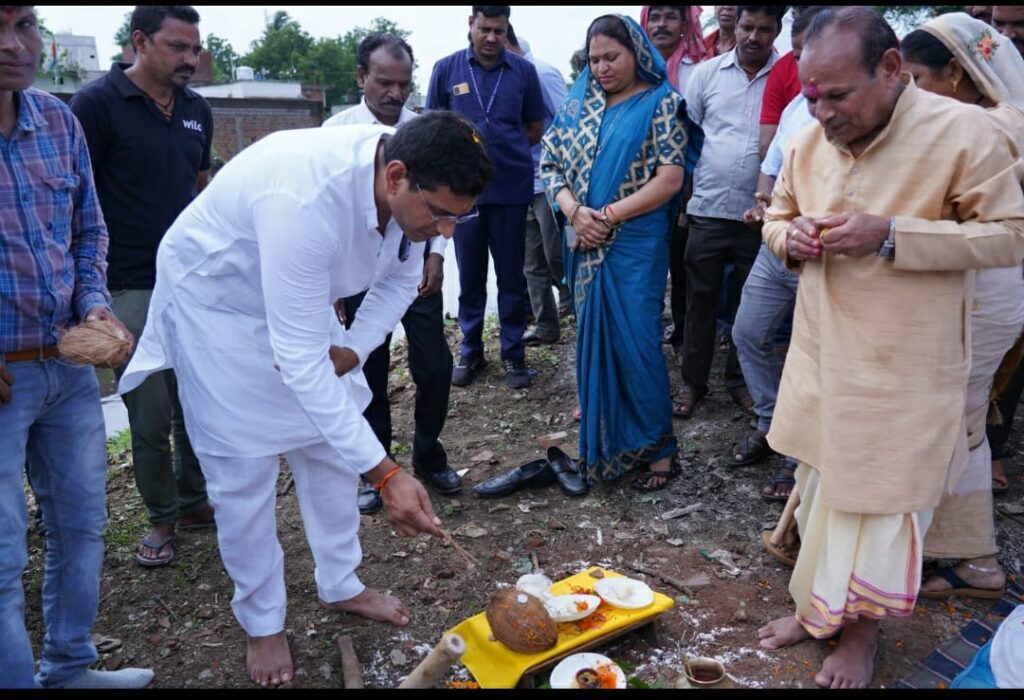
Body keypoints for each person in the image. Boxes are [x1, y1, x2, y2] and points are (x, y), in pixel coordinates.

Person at [118, 112, 492, 687]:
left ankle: (340, 583)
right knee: (241, 473)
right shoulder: (304, 199)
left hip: (296, 292)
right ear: (395, 175)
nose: (446, 232)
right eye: (440, 214)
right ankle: (263, 621)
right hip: (217, 303)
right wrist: (388, 475)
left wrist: (354, 346)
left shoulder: (412, 198)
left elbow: (398, 280)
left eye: (458, 220)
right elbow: (297, 362)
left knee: (330, 450)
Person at [755, 7, 1024, 689]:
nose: (822, 112)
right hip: (824, 352)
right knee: (822, 490)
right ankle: (816, 613)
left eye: (838, 95)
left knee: (880, 507)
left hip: (907, 366)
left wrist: (893, 235)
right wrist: (790, 240)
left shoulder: (965, 132)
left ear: (890, 69)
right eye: (811, 96)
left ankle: (860, 635)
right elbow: (779, 214)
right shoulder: (810, 140)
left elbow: (1009, 236)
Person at [0, 5, 153, 689]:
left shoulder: (56, 121)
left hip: (65, 370)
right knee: (2, 556)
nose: (13, 44)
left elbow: (89, 231)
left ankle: (69, 667)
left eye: (24, 23)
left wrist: (93, 304)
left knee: (82, 527)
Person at [69, 4, 213, 569]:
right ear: (139, 42)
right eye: (177, 46)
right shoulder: (97, 104)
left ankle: (196, 500)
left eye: (194, 48)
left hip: (190, 285)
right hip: (125, 281)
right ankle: (161, 518)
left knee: (197, 403)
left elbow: (200, 189)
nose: (189, 58)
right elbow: (76, 197)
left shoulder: (197, 109)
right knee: (148, 413)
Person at [900, 12, 1024, 601]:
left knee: (940, 422)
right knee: (962, 422)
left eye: (919, 78)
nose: (911, 93)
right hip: (987, 290)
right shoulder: (1002, 120)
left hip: (982, 294)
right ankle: (969, 559)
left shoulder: (982, 128)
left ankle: (924, 555)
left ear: (958, 72)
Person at [540, 14, 690, 491]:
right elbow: (550, 165)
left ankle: (657, 449)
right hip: (585, 241)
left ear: (637, 53)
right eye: (594, 59)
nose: (602, 67)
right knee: (592, 336)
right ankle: (607, 435)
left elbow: (670, 178)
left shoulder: (662, 103)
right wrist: (574, 212)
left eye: (612, 57)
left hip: (635, 244)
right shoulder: (578, 106)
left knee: (638, 342)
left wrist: (603, 216)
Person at [323, 35, 463, 513]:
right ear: (362, 77)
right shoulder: (335, 130)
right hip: (359, 272)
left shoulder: (422, 130)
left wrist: (437, 254)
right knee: (368, 370)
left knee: (435, 365)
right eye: (384, 82)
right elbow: (328, 216)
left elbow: (443, 204)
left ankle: (427, 453)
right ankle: (375, 467)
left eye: (403, 84)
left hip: (414, 264)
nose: (394, 93)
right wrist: (333, 285)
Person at [728, 6, 823, 504]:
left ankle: (797, 456)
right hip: (776, 246)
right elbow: (771, 167)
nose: (803, 66)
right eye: (801, 54)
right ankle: (771, 424)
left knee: (809, 358)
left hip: (824, 259)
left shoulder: (862, 111)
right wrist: (763, 205)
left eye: (813, 55)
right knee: (748, 334)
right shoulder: (797, 107)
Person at [426, 5, 548, 389]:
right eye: (485, 29)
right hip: (464, 194)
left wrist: (501, 151)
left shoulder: (523, 72)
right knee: (471, 273)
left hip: (511, 187)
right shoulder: (446, 70)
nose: (492, 37)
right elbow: (433, 127)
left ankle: (514, 354)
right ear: (471, 25)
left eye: (499, 30)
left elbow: (533, 127)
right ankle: (471, 350)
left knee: (512, 275)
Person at [677, 5, 784, 419]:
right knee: (698, 299)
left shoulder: (786, 76)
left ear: (776, 30)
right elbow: (688, 141)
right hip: (708, 207)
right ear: (733, 26)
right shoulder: (706, 75)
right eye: (747, 26)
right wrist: (686, 205)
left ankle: (740, 382)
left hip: (761, 213)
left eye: (764, 29)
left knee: (749, 305)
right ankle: (693, 382)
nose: (754, 36)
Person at [641, 5, 708, 367]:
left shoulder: (699, 71)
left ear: (684, 24)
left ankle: (682, 335)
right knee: (645, 268)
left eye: (670, 17)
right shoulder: (634, 70)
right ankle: (645, 341)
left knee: (683, 266)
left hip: (686, 186)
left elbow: (699, 135)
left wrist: (688, 189)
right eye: (655, 17)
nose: (662, 24)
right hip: (638, 189)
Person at [505, 23, 571, 345]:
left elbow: (567, 122)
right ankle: (546, 325)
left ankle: (577, 303)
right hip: (520, 182)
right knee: (530, 260)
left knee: (555, 252)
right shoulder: (504, 77)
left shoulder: (542, 74)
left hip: (549, 180)